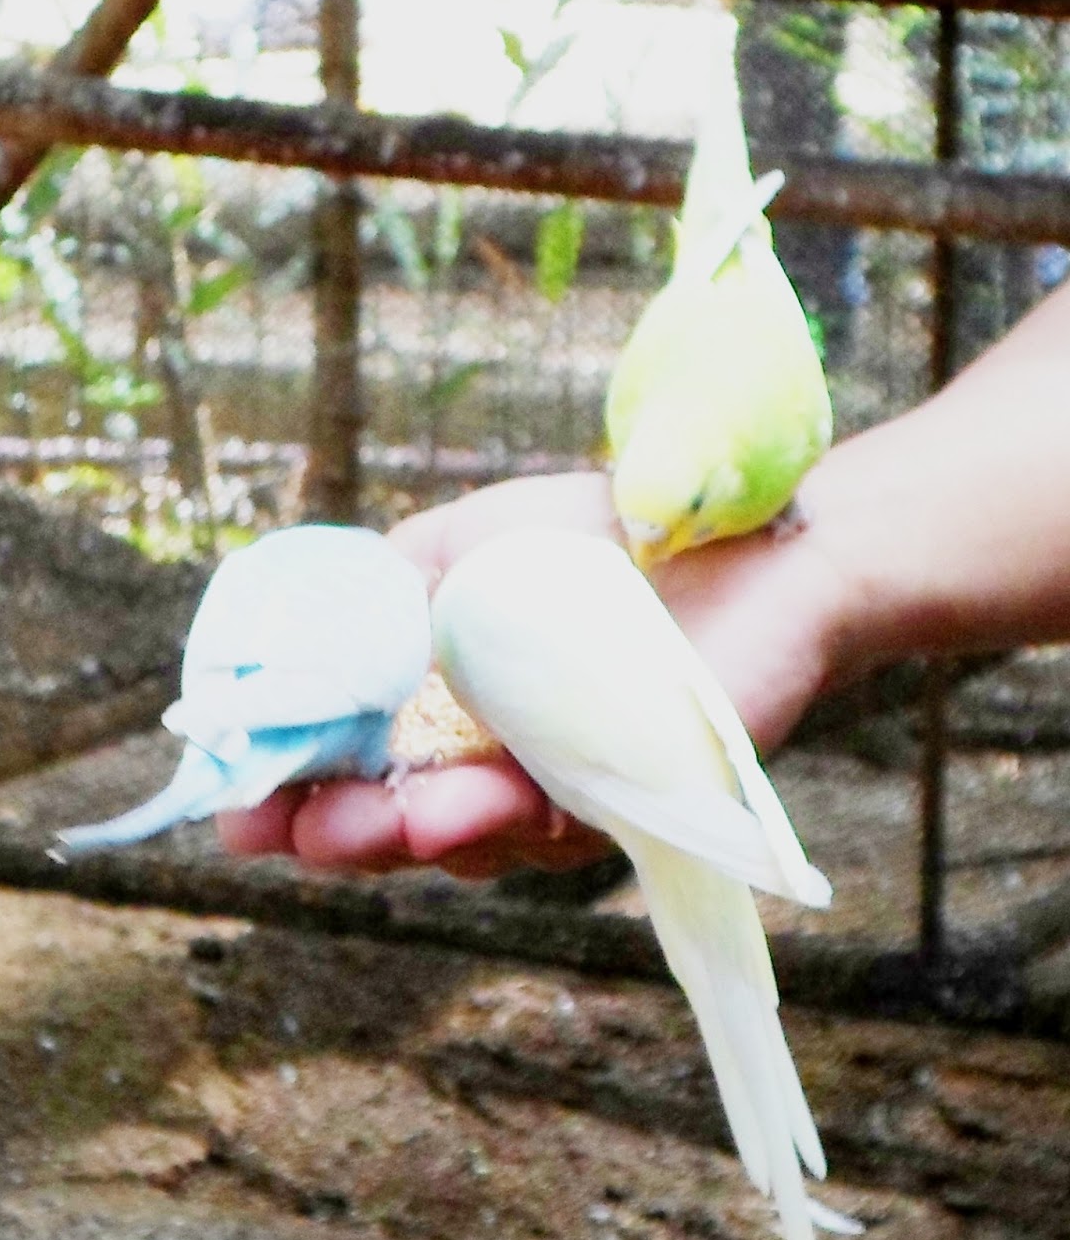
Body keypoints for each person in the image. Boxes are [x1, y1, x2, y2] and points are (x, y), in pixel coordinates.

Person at [217, 273, 1070, 878]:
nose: (651, 547)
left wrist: (816, 548)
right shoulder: (640, 431)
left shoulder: (788, 421)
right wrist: (826, 565)